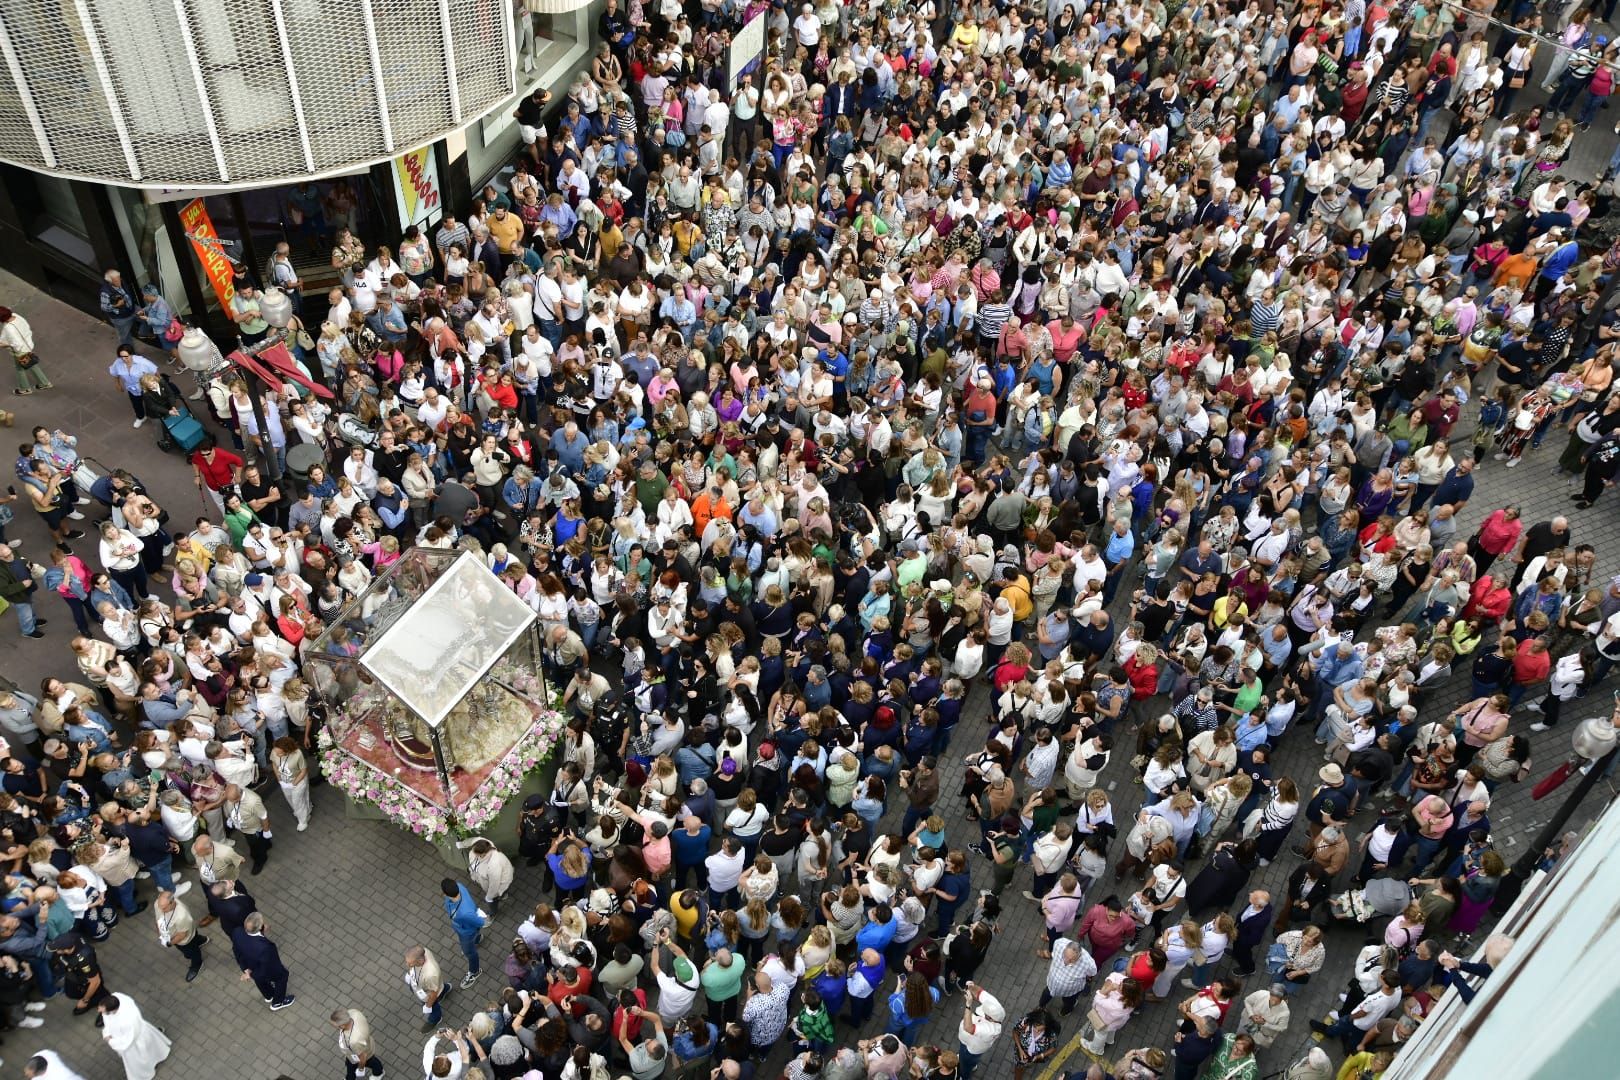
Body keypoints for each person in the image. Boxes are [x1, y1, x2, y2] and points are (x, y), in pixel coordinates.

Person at [98, 993, 172, 1080]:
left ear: (113, 1010)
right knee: (151, 1047)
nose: (99, 1011)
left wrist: (110, 1040)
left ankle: (148, 1069)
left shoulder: (126, 1022)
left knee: (141, 1059)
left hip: (133, 1044)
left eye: (103, 1011)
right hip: (141, 1032)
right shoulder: (117, 997)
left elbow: (126, 1041)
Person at [231, 911, 293, 1010]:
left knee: (260, 979)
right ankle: (277, 1003)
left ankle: (269, 995)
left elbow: (236, 950)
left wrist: (245, 969)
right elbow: (268, 966)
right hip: (263, 969)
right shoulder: (265, 948)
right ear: (260, 927)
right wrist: (251, 975)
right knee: (282, 976)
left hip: (251, 965)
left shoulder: (237, 932)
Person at [441, 877, 487, 988]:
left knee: (469, 953)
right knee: (472, 937)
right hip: (463, 927)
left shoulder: (465, 913)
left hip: (466, 932)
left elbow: (481, 922)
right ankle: (477, 939)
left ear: (446, 894)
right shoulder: (459, 886)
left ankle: (474, 971)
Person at [153, 890, 207, 982]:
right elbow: (158, 919)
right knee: (194, 941)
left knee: (191, 952)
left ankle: (197, 964)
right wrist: (160, 932)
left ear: (172, 902)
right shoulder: (158, 904)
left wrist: (169, 943)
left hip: (184, 940)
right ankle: (201, 940)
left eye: (164, 908)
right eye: (160, 907)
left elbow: (182, 935)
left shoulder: (182, 916)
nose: (161, 910)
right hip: (171, 935)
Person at [331, 1007, 384, 1080]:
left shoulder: (354, 1041)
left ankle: (379, 1073)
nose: (334, 1026)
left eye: (335, 1025)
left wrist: (361, 1069)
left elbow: (363, 1056)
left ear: (342, 1026)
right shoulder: (353, 1013)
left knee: (371, 1062)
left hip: (361, 1052)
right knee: (352, 1066)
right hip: (361, 1047)